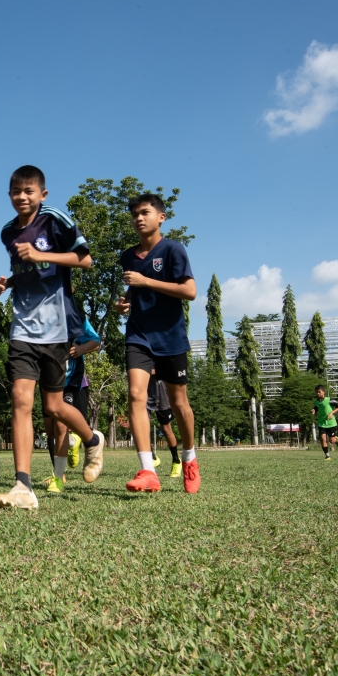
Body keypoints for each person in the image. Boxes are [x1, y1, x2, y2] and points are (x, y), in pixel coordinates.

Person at [0, 165, 105, 510]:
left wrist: (42, 254)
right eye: (15, 192)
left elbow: (85, 260)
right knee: (20, 399)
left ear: (43, 194)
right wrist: (5, 284)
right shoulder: (7, 232)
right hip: (22, 327)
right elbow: (24, 271)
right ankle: (22, 485)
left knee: (54, 407)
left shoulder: (55, 220)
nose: (21, 198)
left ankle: (91, 438)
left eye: (28, 191)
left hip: (56, 328)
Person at [116, 192, 200, 494]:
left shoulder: (174, 249)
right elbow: (134, 291)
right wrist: (124, 302)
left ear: (161, 217)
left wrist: (145, 282)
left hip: (171, 338)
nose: (139, 218)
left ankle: (189, 459)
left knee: (179, 404)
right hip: (138, 336)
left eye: (145, 212)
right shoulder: (128, 256)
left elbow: (189, 291)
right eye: (135, 214)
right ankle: (147, 470)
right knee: (136, 396)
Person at [43, 316, 100, 493]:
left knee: (61, 425)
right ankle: (73, 441)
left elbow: (95, 341)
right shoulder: (39, 312)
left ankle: (58, 477)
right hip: (46, 378)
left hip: (69, 379)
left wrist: (81, 348)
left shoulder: (75, 315)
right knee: (50, 430)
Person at [147, 371, 183, 477]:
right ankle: (152, 457)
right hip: (143, 391)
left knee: (166, 429)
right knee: (141, 427)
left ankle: (176, 460)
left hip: (161, 393)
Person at [311, 384, 338, 460]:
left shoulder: (329, 400)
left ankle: (336, 440)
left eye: (319, 392)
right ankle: (327, 455)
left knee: (331, 441)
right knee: (322, 439)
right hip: (321, 423)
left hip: (331, 423)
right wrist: (313, 411)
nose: (318, 394)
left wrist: (331, 413)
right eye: (316, 392)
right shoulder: (316, 402)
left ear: (323, 392)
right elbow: (316, 408)